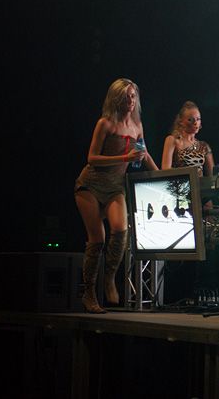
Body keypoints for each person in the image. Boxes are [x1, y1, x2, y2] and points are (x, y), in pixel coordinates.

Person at [74, 78, 158, 313]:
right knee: (97, 239)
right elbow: (92, 158)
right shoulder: (106, 124)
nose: (130, 100)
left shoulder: (137, 125)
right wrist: (124, 158)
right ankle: (89, 292)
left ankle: (109, 277)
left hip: (115, 187)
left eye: (133, 96)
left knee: (121, 230)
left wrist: (163, 175)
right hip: (90, 184)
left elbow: (144, 153)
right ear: (116, 99)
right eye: (125, 96)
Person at [161, 101, 215, 177]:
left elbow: (212, 176)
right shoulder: (173, 140)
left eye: (198, 119)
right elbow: (165, 169)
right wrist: (188, 174)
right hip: (180, 183)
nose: (195, 123)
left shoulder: (203, 146)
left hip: (200, 184)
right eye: (190, 120)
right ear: (181, 122)